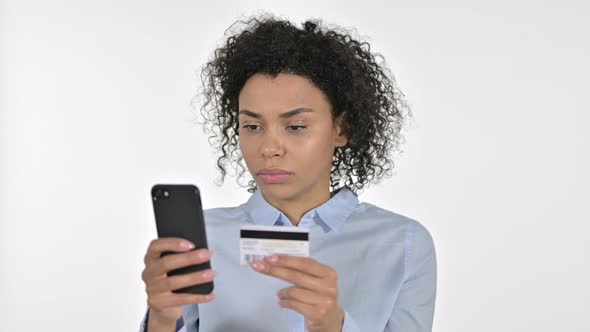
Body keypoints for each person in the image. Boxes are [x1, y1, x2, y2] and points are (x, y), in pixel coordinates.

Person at [139, 13, 436, 332]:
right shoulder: (201, 241)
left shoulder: (402, 243)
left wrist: (334, 326)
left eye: (295, 126)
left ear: (341, 129)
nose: (269, 148)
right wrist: (161, 319)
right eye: (252, 126)